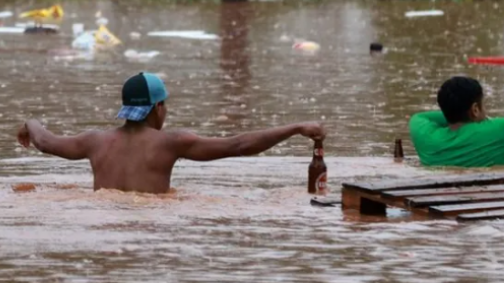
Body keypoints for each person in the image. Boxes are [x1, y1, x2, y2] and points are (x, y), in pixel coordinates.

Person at [16, 72, 326, 194]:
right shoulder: (171, 143)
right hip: (154, 223)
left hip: (104, 218)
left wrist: (30, 123)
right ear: (157, 108)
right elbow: (240, 145)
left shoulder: (95, 141)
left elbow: (44, 142)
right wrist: (296, 127)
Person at [409, 76, 504, 167]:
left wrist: (452, 112)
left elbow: (421, 117)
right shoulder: (500, 130)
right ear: (475, 109)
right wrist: (488, 120)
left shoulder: (425, 136)